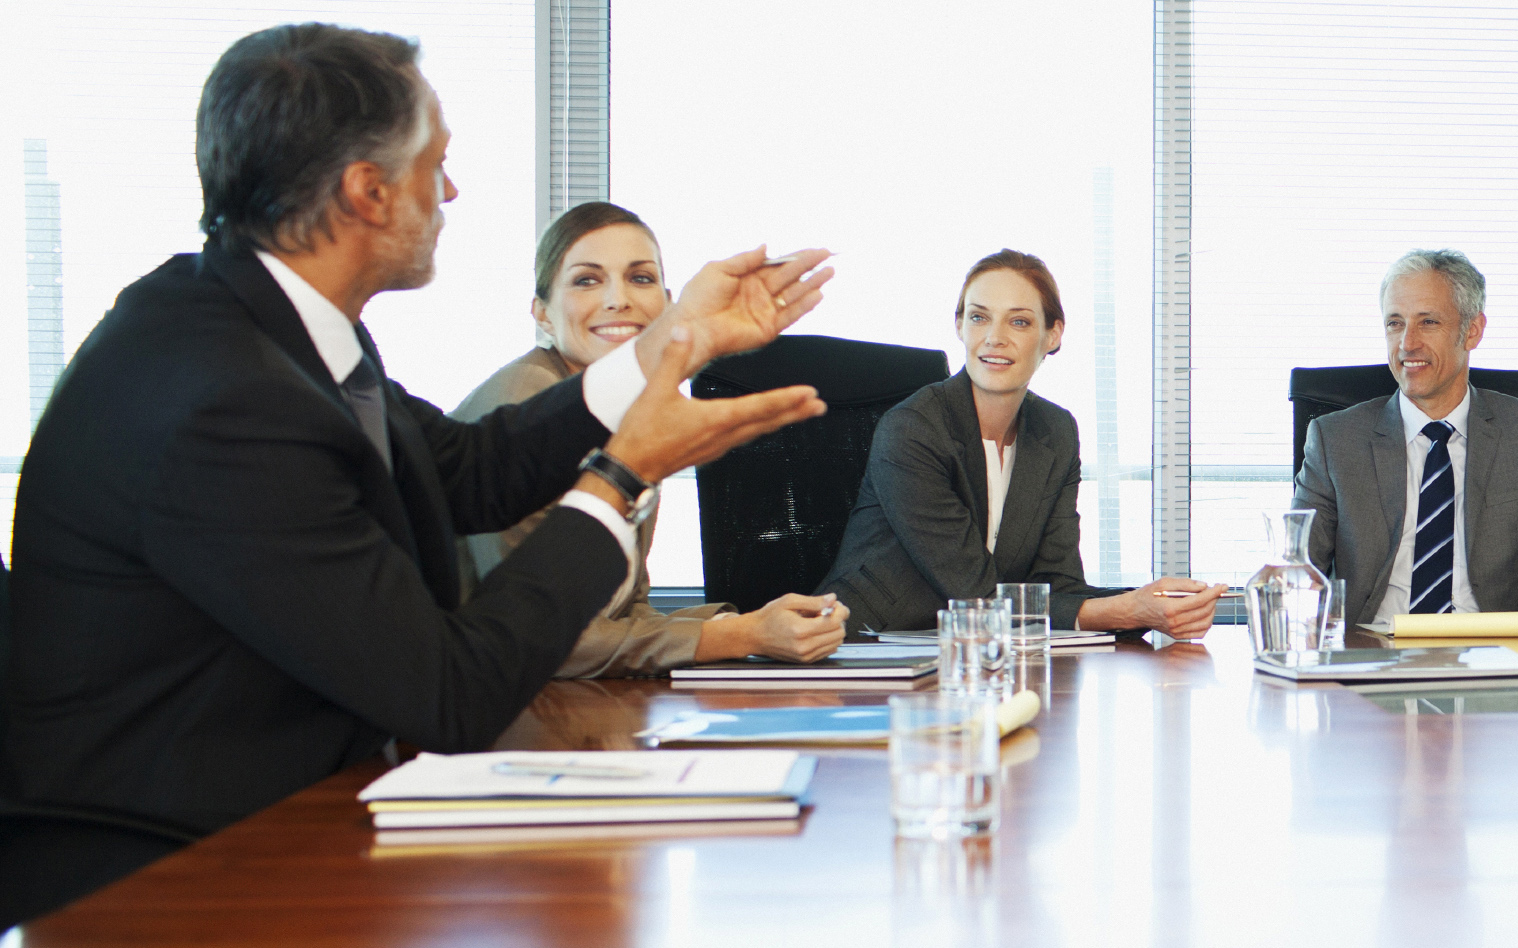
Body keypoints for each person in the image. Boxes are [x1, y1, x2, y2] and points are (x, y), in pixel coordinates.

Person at [0, 23, 833, 923]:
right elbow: (446, 696)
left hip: (288, 829)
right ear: (367, 192)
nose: (451, 190)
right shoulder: (224, 399)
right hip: (163, 884)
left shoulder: (273, 323)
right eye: (436, 164)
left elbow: (471, 469)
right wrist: (623, 476)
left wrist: (675, 343)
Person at [452, 201, 848, 676]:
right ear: (542, 315)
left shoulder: (638, 406)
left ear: (667, 300)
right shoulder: (520, 402)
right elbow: (538, 633)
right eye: (587, 280)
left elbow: (623, 614)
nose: (619, 300)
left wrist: (759, 623)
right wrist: (740, 635)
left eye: (640, 278)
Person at [821, 250, 1223, 635]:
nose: (994, 338)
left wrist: (1155, 606)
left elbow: (1057, 584)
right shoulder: (913, 428)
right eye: (979, 317)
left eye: (1019, 322)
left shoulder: (1055, 430)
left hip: (986, 655)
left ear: (1052, 334)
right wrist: (1127, 609)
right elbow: (975, 595)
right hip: (864, 654)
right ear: (959, 326)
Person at [1294, 249, 1518, 629]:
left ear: (1473, 330)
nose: (1407, 344)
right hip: (1373, 651)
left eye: (1427, 322)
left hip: (1497, 651)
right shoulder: (1335, 440)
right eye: (1395, 324)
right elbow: (1297, 563)